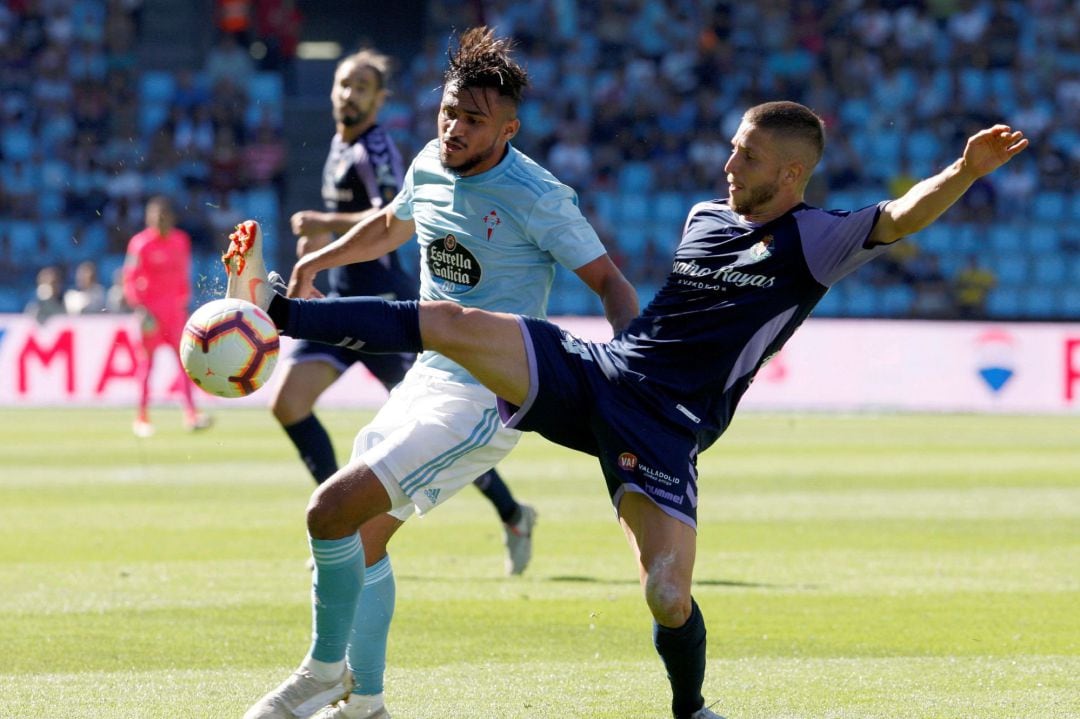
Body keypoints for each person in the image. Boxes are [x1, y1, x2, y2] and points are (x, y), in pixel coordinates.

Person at [224, 103, 1026, 719]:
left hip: (669, 429)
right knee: (456, 323)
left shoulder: (816, 240)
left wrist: (962, 170)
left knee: (667, 594)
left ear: (787, 175)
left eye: (744, 155)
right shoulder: (705, 218)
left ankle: (691, 706)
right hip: (606, 373)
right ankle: (281, 311)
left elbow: (901, 216)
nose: (727, 163)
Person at [232, 28, 638, 719]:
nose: (453, 127)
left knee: (330, 511)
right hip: (425, 375)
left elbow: (611, 283)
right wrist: (316, 261)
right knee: (362, 532)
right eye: (448, 111)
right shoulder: (429, 160)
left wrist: (632, 378)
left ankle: (321, 674)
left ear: (507, 129)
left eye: (472, 120)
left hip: (489, 395)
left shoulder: (537, 194)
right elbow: (392, 223)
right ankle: (368, 706)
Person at [271, 47, 541, 577]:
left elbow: (395, 213)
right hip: (335, 306)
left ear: (380, 99)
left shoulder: (377, 149)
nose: (349, 93)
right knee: (287, 404)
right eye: (344, 83)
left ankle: (514, 514)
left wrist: (323, 223)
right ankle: (340, 515)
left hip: (387, 314)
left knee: (428, 433)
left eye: (362, 86)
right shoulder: (339, 143)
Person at [123, 195, 211, 437]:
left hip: (175, 315)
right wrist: (140, 309)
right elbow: (129, 279)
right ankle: (141, 417)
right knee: (146, 366)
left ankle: (191, 415)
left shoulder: (181, 241)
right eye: (154, 216)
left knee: (185, 365)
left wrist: (184, 304)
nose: (159, 221)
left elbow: (183, 275)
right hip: (150, 315)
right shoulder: (140, 244)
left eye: (162, 216)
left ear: (171, 217)